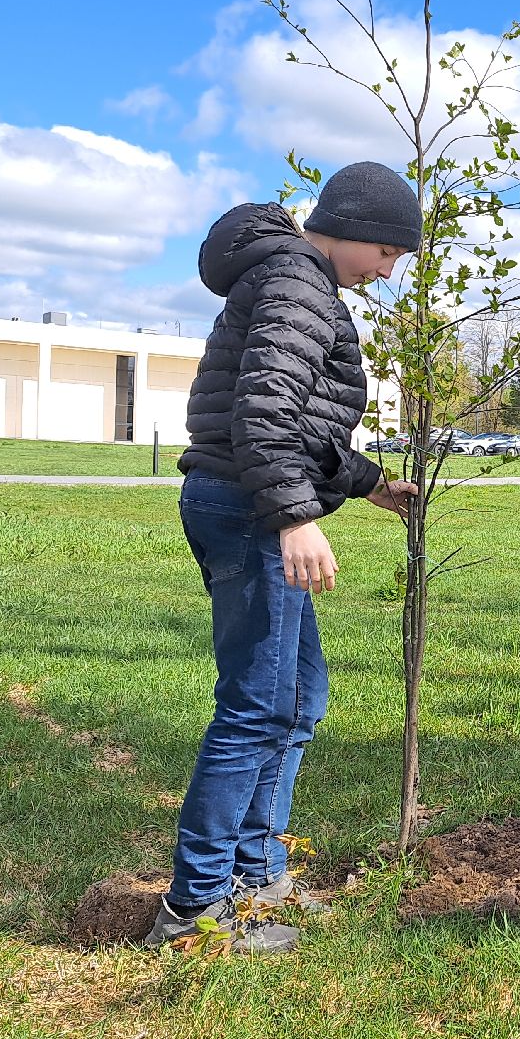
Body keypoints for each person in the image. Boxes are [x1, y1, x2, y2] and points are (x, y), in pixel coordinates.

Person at [143, 162, 422, 953]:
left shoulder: (292, 279)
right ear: (360, 232)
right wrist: (296, 517)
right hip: (251, 511)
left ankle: (257, 873)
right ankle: (194, 909)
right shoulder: (300, 281)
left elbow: (300, 421)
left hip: (245, 499)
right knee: (257, 708)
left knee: (298, 700)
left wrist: (366, 484)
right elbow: (263, 410)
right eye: (389, 254)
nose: (387, 272)